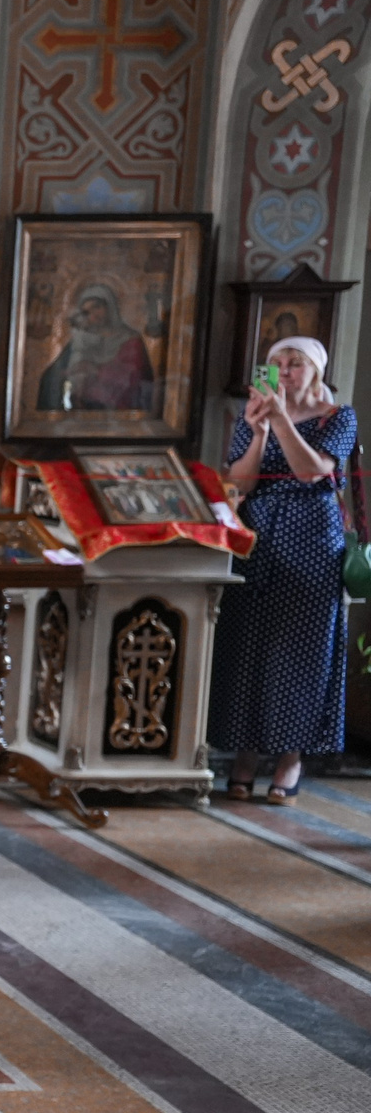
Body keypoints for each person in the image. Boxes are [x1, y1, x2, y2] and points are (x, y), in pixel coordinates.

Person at [212, 334, 353, 804]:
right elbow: (242, 482)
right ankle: (246, 755)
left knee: (302, 650)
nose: (285, 372)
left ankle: (292, 757)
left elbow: (312, 472)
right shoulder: (253, 416)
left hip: (313, 540)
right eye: (277, 364)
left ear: (316, 370)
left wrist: (283, 423)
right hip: (258, 537)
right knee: (249, 643)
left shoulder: (339, 417)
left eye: (295, 364)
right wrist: (259, 433)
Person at [35, 284, 156, 413]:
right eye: (87, 312)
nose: (93, 315)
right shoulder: (80, 340)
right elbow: (53, 373)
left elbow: (136, 377)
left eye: (97, 307)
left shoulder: (131, 339)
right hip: (81, 413)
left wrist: (94, 369)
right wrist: (62, 375)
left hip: (120, 413)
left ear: (110, 306)